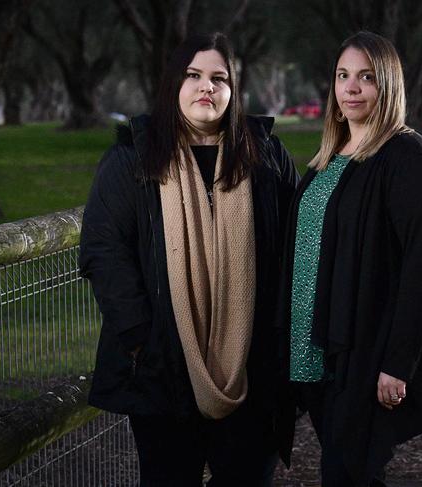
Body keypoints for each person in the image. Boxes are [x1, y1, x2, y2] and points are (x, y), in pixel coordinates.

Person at [79, 32, 298, 486]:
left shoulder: (267, 156)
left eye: (219, 78)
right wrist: (141, 334)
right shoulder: (132, 158)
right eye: (194, 75)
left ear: (233, 90)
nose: (207, 87)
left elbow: (293, 249)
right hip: (162, 366)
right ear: (173, 84)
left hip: (251, 367)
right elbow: (104, 249)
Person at [276, 31, 422, 486]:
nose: (351, 88)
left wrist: (398, 363)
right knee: (349, 467)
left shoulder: (408, 157)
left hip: (363, 346)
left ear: (388, 86)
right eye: (343, 76)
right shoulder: (327, 159)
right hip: (311, 347)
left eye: (366, 77)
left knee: (346, 469)